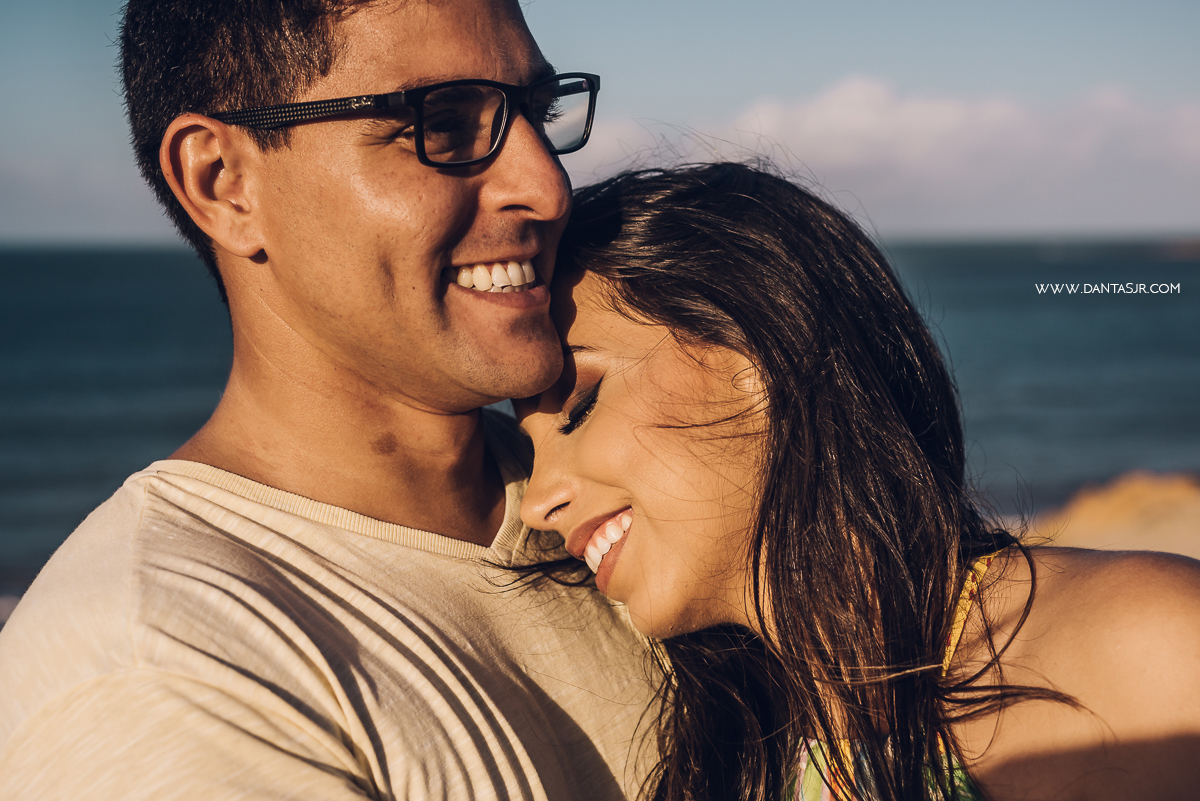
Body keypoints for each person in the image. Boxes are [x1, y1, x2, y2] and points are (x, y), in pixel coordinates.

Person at [0, 1, 658, 798]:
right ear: (224, 182)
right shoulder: (165, 677)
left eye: (536, 113)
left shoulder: (627, 494)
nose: (547, 187)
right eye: (443, 124)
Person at [517, 162, 1200, 801]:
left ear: (759, 357)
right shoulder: (726, 757)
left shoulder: (1147, 652)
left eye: (579, 407)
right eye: (527, 446)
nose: (539, 500)